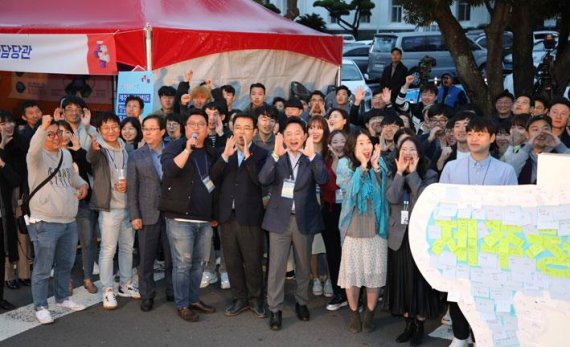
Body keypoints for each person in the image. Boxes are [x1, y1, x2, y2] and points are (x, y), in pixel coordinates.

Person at [440, 116, 517, 347]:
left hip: (490, 243)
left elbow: (511, 210)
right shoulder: (452, 168)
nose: (473, 138)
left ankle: (482, 335)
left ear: (492, 138)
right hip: (458, 240)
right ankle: (460, 335)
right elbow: (442, 205)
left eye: (480, 133)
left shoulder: (505, 171)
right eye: (471, 133)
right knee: (458, 290)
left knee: (487, 291)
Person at [259, 117, 328, 331]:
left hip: (303, 219)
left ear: (305, 135)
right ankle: (275, 308)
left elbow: (323, 179)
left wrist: (313, 155)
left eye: (297, 133)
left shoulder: (311, 158)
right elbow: (263, 179)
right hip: (279, 219)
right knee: (276, 267)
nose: (293, 137)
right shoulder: (277, 156)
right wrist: (275, 154)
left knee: (303, 265)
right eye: (289, 133)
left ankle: (301, 302)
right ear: (283, 137)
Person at [26, 113, 89, 324]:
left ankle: (63, 297)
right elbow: (34, 146)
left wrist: (82, 185)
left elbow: (72, 177)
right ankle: (41, 306)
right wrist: (42, 127)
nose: (54, 137)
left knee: (65, 264)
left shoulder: (66, 155)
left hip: (69, 221)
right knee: (43, 267)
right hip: (45, 221)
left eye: (57, 134)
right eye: (50, 134)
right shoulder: (36, 157)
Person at [159, 108, 217, 322]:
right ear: (185, 128)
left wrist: (214, 213)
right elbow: (169, 171)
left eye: (201, 124)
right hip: (180, 218)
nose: (196, 128)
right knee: (183, 263)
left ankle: (193, 299)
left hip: (204, 218)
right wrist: (187, 150)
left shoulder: (210, 152)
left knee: (199, 262)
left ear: (206, 128)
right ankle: (182, 304)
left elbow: (216, 182)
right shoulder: (174, 147)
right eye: (192, 124)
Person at [385, 137, 441, 346]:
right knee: (402, 281)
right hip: (399, 236)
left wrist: (413, 173)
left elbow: (422, 198)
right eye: (404, 149)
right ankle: (408, 322)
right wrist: (400, 173)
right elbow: (391, 198)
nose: (407, 152)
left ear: (420, 152)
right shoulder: (392, 174)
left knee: (419, 282)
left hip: (420, 236)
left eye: (412, 149)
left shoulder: (430, 174)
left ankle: (419, 324)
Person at [210, 113, 268, 318]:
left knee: (252, 260)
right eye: (238, 127)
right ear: (232, 129)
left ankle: (256, 299)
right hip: (227, 216)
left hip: (250, 216)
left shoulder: (261, 154)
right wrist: (225, 156)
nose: (242, 131)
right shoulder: (222, 152)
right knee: (232, 260)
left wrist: (247, 154)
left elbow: (260, 181)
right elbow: (212, 180)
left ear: (254, 131)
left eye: (247, 127)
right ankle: (239, 299)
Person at [336, 130, 388, 334]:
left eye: (368, 142)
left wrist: (375, 168)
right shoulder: (345, 165)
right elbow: (350, 192)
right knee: (352, 274)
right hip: (353, 226)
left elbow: (383, 195)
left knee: (373, 273)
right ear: (353, 147)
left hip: (376, 227)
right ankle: (353, 312)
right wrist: (363, 167)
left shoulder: (380, 164)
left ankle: (370, 312)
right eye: (360, 143)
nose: (366, 147)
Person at [88, 112, 140, 310]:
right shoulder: (99, 148)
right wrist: (92, 148)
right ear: (100, 130)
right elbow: (90, 157)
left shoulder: (125, 147)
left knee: (127, 248)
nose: (111, 131)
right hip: (109, 208)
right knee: (108, 250)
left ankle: (125, 284)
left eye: (114, 126)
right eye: (106, 128)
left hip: (128, 206)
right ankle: (107, 289)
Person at [127, 115, 173, 312]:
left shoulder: (173, 151)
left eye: (152, 128)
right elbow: (132, 188)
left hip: (171, 212)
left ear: (162, 131)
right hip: (146, 213)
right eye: (145, 128)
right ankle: (147, 295)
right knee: (146, 259)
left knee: (173, 256)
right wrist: (134, 215)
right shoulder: (136, 155)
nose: (147, 132)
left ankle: (172, 289)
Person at [57, 120, 97, 294]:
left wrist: (79, 149)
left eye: (67, 132)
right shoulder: (51, 154)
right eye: (59, 132)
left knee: (88, 241)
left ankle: (88, 278)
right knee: (65, 244)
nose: (64, 135)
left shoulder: (78, 152)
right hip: (61, 206)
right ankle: (66, 280)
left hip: (83, 203)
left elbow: (91, 169)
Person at [320, 129, 349, 311]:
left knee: (349, 254)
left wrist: (338, 162)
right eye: (335, 141)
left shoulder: (354, 162)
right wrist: (335, 161)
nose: (339, 145)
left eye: (342, 141)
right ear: (329, 144)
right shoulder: (324, 162)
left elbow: (343, 183)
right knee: (333, 253)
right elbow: (330, 185)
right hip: (330, 211)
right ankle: (339, 293)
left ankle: (353, 293)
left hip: (347, 211)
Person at [307, 116, 333, 297]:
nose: (315, 131)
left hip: (326, 201)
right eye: (311, 127)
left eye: (319, 127)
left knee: (329, 243)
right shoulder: (302, 150)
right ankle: (315, 277)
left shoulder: (329, 152)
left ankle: (330, 279)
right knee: (312, 244)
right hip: (307, 201)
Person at [505, 114, 570, 184]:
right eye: (535, 129)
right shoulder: (519, 151)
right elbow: (510, 173)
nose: (541, 133)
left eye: (546, 129)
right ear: (527, 135)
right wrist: (528, 146)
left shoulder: (559, 151)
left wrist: (560, 146)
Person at [0, 111, 20, 311]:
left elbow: (14, 180)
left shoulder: (12, 147)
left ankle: (1, 298)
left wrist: (2, 155)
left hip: (3, 212)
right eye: (3, 123)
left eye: (10, 121)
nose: (8, 126)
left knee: (2, 255)